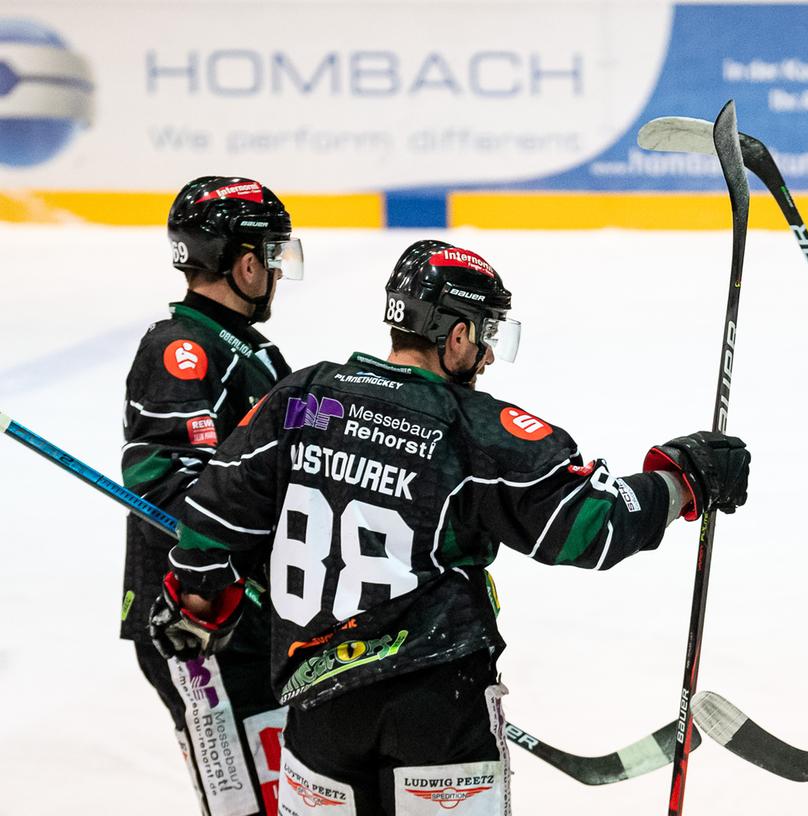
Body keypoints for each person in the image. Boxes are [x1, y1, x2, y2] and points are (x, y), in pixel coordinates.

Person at [148, 239, 751, 816]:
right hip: (435, 700)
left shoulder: (301, 396)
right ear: (456, 334)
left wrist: (201, 606)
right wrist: (684, 480)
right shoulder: (472, 429)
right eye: (486, 335)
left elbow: (209, 519)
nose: (488, 356)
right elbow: (591, 527)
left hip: (316, 705)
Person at [121, 176, 302, 815]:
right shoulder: (181, 349)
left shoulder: (246, 350)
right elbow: (169, 488)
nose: (278, 272)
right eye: (273, 256)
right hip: (201, 625)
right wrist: (207, 588)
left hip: (254, 619)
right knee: (252, 807)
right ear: (245, 262)